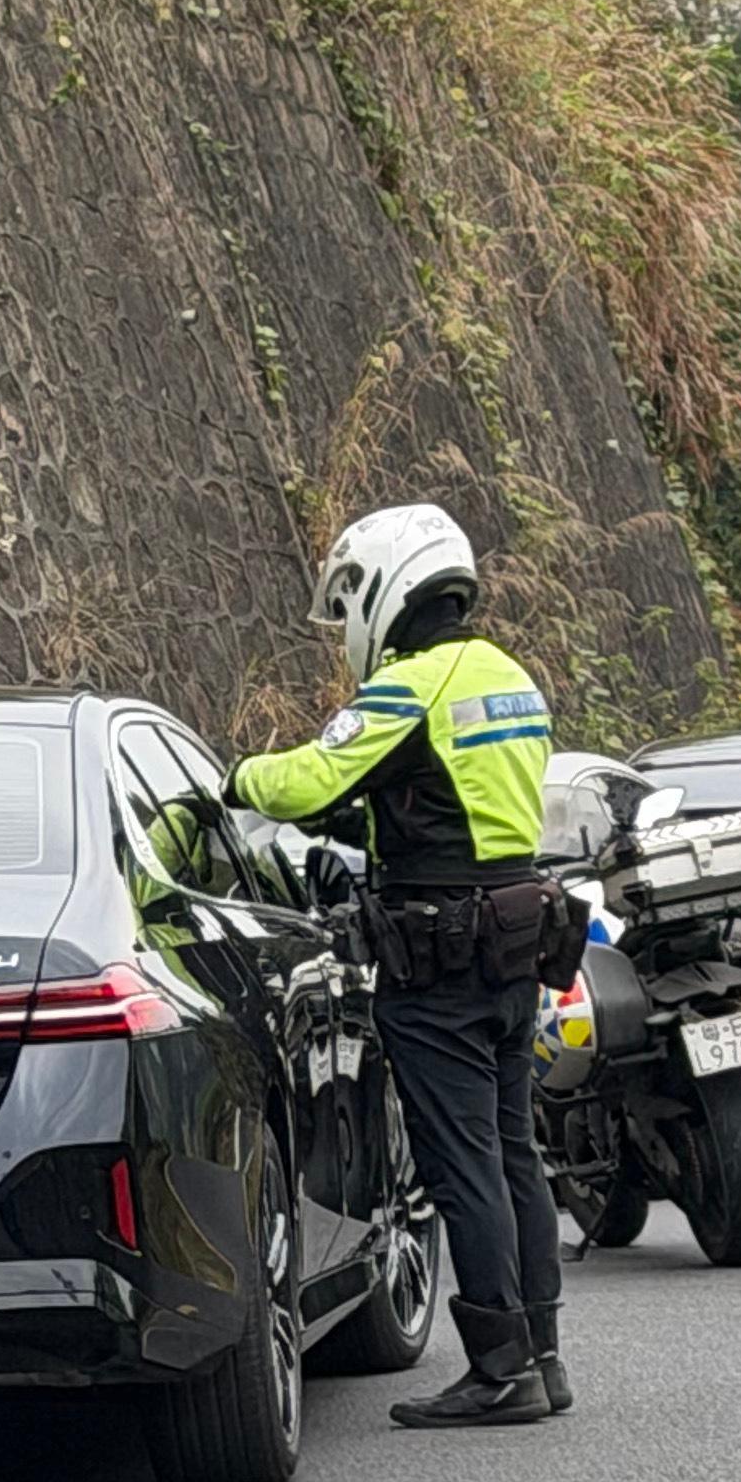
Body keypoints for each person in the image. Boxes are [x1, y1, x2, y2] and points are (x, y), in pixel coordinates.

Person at [233, 504, 571, 1428]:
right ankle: (542, 1354)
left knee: (461, 1168)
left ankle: (499, 1368)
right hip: (511, 945)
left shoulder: (411, 687)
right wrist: (368, 816)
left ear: (388, 589)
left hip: (442, 962)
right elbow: (454, 802)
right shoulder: (510, 677)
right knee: (514, 1157)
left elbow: (304, 779)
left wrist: (235, 781)